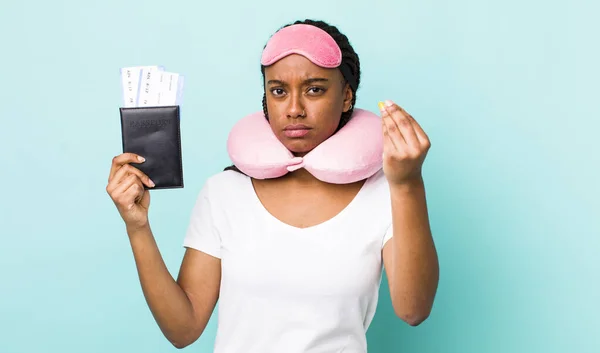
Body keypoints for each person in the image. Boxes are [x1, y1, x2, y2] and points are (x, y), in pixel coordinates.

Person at [106, 19, 439, 352]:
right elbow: (183, 329)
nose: (294, 109)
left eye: (315, 89)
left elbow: (413, 310)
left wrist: (409, 184)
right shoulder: (224, 192)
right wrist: (138, 228)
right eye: (279, 91)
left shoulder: (386, 194)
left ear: (346, 96)